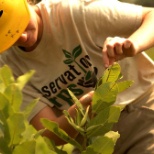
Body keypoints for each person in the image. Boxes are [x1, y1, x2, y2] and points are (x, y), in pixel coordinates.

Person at [0, 0, 154, 153]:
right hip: (90, 137)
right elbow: (52, 134)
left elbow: (151, 15)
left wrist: (132, 45)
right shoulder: (8, 66)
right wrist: (81, 107)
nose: (24, 37)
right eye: (9, 36)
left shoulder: (74, 11)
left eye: (20, 25)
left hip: (140, 107)